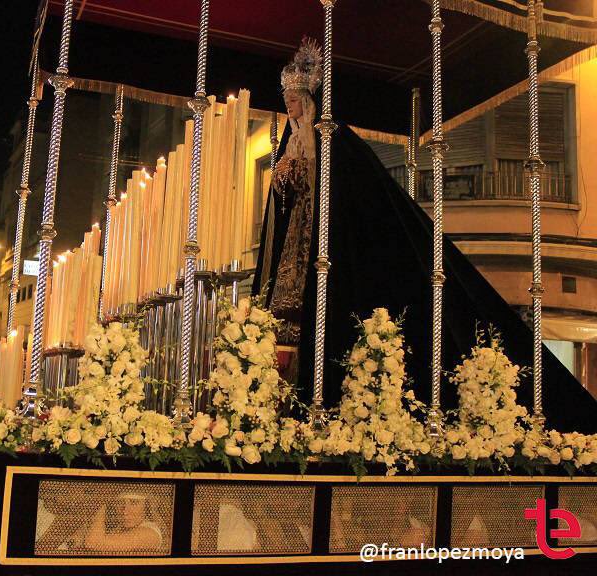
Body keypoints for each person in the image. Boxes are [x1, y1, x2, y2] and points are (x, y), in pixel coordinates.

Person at [251, 37, 597, 428]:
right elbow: (282, 199)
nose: (288, 104)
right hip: (299, 236)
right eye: (285, 98)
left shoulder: (334, 139)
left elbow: (345, 188)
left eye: (294, 98)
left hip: (329, 244)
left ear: (308, 98)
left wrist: (308, 171)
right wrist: (283, 178)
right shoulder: (289, 142)